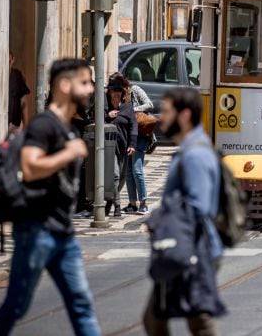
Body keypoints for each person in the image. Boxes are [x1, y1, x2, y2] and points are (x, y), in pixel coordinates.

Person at [0, 58, 100, 335]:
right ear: (64, 85)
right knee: (17, 305)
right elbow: (29, 166)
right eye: (84, 82)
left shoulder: (66, 127)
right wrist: (69, 154)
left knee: (81, 304)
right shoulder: (43, 125)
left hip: (63, 233)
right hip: (36, 231)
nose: (90, 89)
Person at [144, 87, 226, 336]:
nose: (161, 117)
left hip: (192, 249)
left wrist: (160, 218)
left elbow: (199, 206)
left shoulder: (195, 155)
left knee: (191, 319)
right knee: (163, 318)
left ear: (185, 115)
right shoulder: (190, 149)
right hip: (188, 247)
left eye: (167, 112)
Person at [108, 73, 151, 215]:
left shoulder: (135, 90)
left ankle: (143, 203)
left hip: (139, 136)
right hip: (126, 136)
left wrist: (133, 111)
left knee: (137, 169)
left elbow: (149, 104)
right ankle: (132, 203)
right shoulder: (116, 97)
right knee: (127, 172)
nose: (116, 91)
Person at [104, 79, 136, 218]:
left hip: (123, 146)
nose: (116, 94)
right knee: (115, 175)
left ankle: (110, 200)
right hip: (107, 147)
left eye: (118, 91)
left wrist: (132, 144)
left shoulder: (127, 107)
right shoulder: (104, 107)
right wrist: (107, 116)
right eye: (113, 91)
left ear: (122, 93)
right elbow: (94, 120)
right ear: (109, 92)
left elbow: (133, 126)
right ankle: (117, 205)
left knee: (121, 178)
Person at [8, 52, 32, 132]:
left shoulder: (17, 76)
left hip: (14, 125)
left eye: (10, 61)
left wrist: (25, 125)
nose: (8, 64)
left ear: (13, 60)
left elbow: (24, 102)